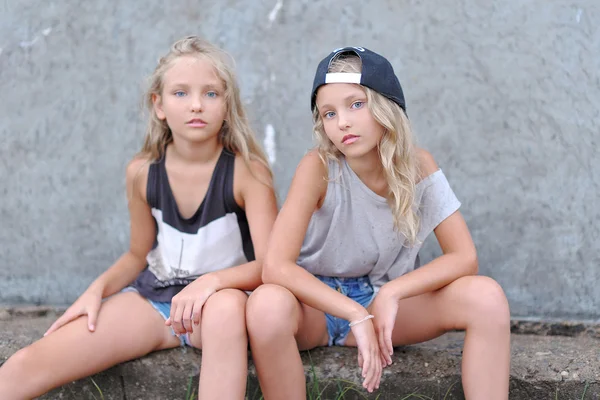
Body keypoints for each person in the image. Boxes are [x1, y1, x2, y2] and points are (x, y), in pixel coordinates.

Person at [0, 35, 278, 400]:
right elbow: (137, 253)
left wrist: (211, 283)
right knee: (26, 365)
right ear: (158, 104)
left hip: (217, 308)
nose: (196, 105)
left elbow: (273, 265)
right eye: (180, 93)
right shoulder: (142, 171)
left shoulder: (248, 172)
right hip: (155, 303)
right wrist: (96, 291)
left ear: (227, 105)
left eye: (211, 93)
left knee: (225, 309)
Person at [246, 46, 510, 399]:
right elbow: (276, 267)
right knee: (265, 305)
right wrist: (353, 312)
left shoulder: (418, 165)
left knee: (487, 297)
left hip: (382, 306)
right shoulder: (319, 166)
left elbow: (464, 257)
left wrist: (392, 292)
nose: (342, 122)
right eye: (328, 113)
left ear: (386, 105)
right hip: (314, 307)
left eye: (356, 104)